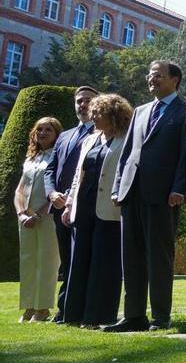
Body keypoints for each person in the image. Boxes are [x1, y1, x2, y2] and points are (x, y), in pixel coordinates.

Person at [104, 61, 186, 333]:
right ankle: (133, 315)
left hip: (164, 195)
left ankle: (160, 317)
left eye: (158, 76)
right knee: (130, 256)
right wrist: (117, 187)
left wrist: (179, 189)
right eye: (150, 75)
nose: (152, 79)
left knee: (159, 257)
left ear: (175, 80)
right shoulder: (141, 111)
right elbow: (127, 155)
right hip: (131, 193)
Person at [60, 94, 131, 327]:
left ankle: (98, 316)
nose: (93, 116)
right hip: (83, 206)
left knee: (104, 263)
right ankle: (73, 314)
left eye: (98, 112)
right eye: (93, 112)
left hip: (109, 209)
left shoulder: (126, 139)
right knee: (79, 259)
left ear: (113, 114)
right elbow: (76, 177)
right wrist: (70, 204)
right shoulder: (90, 140)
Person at [43, 86, 98, 322]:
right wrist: (52, 193)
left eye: (87, 101)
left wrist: (72, 196)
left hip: (84, 206)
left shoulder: (102, 134)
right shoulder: (64, 136)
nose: (82, 105)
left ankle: (80, 308)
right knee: (66, 260)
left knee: (81, 258)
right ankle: (64, 308)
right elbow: (50, 169)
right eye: (78, 101)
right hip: (59, 206)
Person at [15, 117, 63, 322]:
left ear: (56, 134)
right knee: (28, 262)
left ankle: (42, 308)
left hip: (47, 217)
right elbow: (19, 190)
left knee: (47, 263)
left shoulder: (58, 156)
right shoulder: (31, 159)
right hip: (25, 219)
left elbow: (56, 189)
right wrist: (21, 214)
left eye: (48, 130)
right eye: (39, 129)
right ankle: (28, 307)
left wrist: (37, 215)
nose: (43, 133)